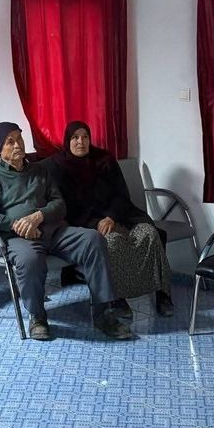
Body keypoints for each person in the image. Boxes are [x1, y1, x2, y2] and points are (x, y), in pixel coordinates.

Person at [0, 123, 132, 341]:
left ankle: (103, 313)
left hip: (53, 232)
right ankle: (37, 316)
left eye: (19, 138)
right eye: (10, 142)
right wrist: (13, 223)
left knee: (93, 239)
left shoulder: (39, 170)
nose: (18, 145)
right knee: (29, 258)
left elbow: (59, 204)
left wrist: (38, 216)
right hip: (18, 238)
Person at [44, 121, 175, 318]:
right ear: (67, 140)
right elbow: (65, 207)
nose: (81, 142)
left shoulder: (104, 159)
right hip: (87, 222)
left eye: (85, 137)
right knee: (112, 242)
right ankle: (116, 298)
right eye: (75, 138)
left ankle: (162, 294)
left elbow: (121, 194)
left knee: (150, 234)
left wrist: (111, 216)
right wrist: (95, 222)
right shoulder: (56, 167)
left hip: (120, 215)